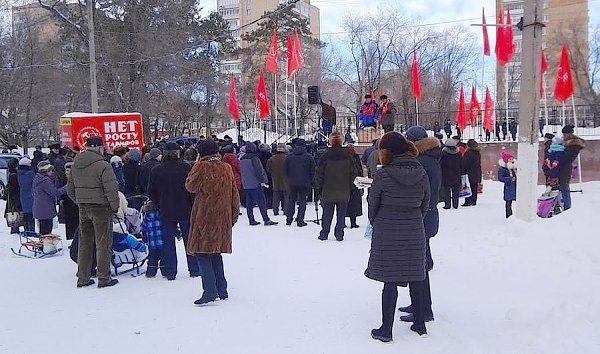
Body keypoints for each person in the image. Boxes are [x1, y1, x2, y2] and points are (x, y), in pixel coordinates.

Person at [365, 132, 431, 341]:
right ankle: (419, 324)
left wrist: (378, 222)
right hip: (414, 228)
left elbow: (372, 203)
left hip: (387, 228)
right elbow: (425, 203)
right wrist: (414, 218)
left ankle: (386, 329)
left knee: (390, 280)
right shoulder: (421, 173)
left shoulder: (384, 175)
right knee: (416, 276)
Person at [186, 140, 240, 305]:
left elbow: (190, 186)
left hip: (205, 216)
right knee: (215, 252)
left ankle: (209, 290)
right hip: (222, 216)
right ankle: (221, 288)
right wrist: (233, 215)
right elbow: (234, 192)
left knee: (202, 253)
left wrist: (196, 165)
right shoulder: (226, 168)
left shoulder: (201, 167)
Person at [400, 126, 441, 323]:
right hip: (427, 216)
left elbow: (421, 192)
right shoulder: (430, 157)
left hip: (421, 217)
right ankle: (419, 304)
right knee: (419, 264)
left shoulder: (423, 161)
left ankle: (424, 310)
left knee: (419, 266)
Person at [68, 136, 120, 288]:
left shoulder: (76, 164)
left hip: (83, 208)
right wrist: (114, 206)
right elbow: (111, 189)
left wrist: (80, 201)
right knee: (103, 244)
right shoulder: (103, 166)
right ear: (99, 148)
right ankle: (104, 278)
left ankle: (83, 277)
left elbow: (70, 189)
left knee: (84, 244)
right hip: (101, 209)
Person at [148, 142, 200, 280]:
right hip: (185, 209)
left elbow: (151, 192)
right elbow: (192, 190)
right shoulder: (186, 168)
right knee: (189, 240)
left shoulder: (157, 170)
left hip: (166, 209)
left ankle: (170, 271)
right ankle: (194, 268)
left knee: (168, 242)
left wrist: (159, 204)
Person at [314, 132, 357, 241]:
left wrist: (318, 188)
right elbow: (353, 174)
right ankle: (339, 234)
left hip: (328, 191)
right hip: (344, 190)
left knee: (327, 214)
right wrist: (351, 188)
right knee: (341, 215)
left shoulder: (325, 156)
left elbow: (319, 174)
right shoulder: (348, 157)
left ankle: (324, 233)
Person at [240, 142, 278, 226]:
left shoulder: (242, 158)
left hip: (246, 184)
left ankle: (251, 220)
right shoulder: (254, 158)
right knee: (261, 201)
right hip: (255, 183)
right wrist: (262, 180)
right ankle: (266, 219)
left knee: (249, 203)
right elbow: (258, 170)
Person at [284, 139, 315, 227]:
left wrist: (289, 177)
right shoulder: (309, 157)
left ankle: (289, 219)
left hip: (292, 182)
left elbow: (285, 170)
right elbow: (312, 171)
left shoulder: (289, 157)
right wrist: (311, 180)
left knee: (291, 201)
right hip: (305, 183)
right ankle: (300, 220)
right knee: (302, 202)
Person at [32, 161, 66, 235]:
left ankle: (42, 246)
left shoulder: (37, 178)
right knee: (47, 232)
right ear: (47, 171)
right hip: (46, 210)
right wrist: (65, 188)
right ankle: (45, 246)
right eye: (51, 170)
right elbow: (55, 192)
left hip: (39, 209)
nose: (52, 172)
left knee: (42, 231)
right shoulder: (45, 181)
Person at [558, 125, 585, 210]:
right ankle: (562, 205)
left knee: (564, 188)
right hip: (562, 167)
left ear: (569, 134)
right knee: (561, 187)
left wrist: (560, 152)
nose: (563, 136)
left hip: (565, 168)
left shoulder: (573, 144)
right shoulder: (568, 143)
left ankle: (567, 207)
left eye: (565, 134)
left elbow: (567, 157)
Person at [266, 144, 289, 216]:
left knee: (276, 196)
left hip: (275, 180)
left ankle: (275, 210)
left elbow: (268, 169)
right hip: (286, 180)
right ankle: (285, 210)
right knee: (286, 196)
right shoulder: (287, 158)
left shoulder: (272, 158)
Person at [440, 138, 462, 210]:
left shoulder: (444, 153)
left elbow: (441, 163)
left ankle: (447, 204)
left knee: (446, 190)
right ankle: (455, 204)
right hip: (456, 174)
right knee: (456, 190)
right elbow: (461, 164)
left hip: (446, 174)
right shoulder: (458, 152)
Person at [60, 162, 80, 240]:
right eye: (66, 171)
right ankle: (71, 239)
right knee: (69, 224)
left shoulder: (77, 180)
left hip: (75, 205)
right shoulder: (64, 180)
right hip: (67, 205)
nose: (66, 172)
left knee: (76, 222)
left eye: (68, 170)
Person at [346, 144, 363, 229]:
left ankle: (343, 222)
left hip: (346, 184)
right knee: (354, 204)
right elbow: (359, 169)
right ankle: (353, 222)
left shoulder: (344, 158)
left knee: (346, 204)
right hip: (355, 183)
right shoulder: (355, 158)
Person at [461, 139, 482, 207]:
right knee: (474, 187)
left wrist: (463, 170)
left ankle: (468, 201)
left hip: (469, 172)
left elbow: (465, 162)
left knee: (468, 187)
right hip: (476, 172)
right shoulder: (477, 153)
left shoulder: (468, 152)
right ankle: (474, 201)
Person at [17, 157, 35, 232]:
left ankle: (26, 230)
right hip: (31, 196)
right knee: (31, 216)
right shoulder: (31, 174)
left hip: (22, 196)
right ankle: (31, 231)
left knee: (26, 215)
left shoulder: (18, 174)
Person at [4, 158, 22, 234]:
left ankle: (14, 230)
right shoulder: (14, 175)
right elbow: (15, 189)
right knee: (15, 215)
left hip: (11, 199)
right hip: (14, 199)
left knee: (13, 215)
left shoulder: (9, 173)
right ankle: (15, 230)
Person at [498, 151, 517, 218]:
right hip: (509, 187)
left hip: (516, 186)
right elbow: (500, 178)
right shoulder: (503, 168)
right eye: (510, 159)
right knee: (508, 202)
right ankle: (509, 216)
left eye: (512, 158)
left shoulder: (514, 167)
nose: (512, 160)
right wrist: (510, 179)